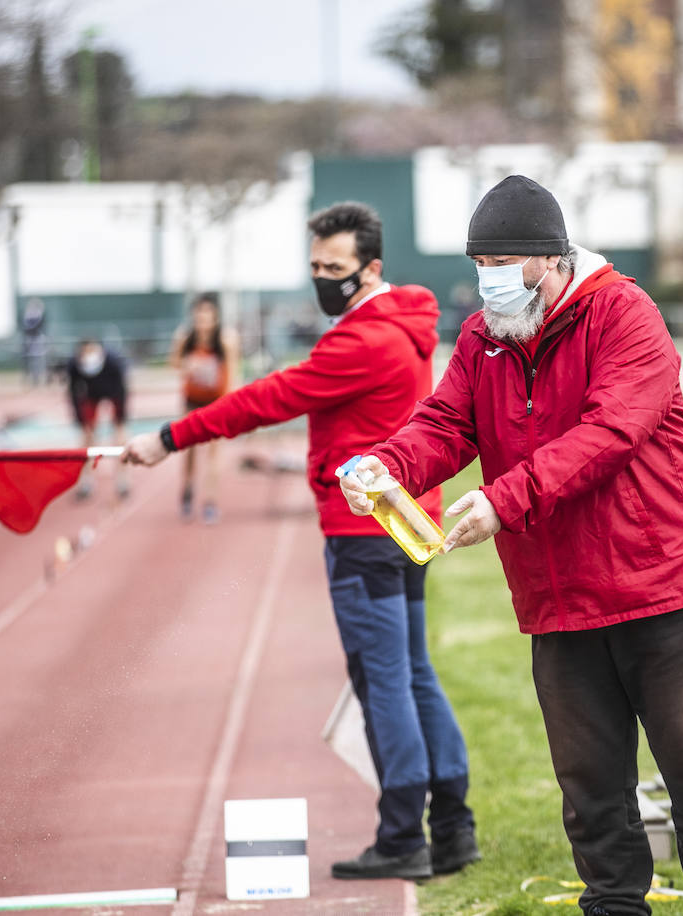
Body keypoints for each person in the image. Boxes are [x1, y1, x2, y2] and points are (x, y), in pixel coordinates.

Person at [339, 175, 683, 916]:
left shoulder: (626, 314)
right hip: (559, 600)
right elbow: (445, 423)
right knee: (591, 793)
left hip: (661, 582)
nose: (487, 284)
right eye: (480, 267)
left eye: (503, 267)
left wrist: (504, 501)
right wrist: (389, 464)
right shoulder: (484, 338)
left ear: (553, 261)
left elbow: (609, 434)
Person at [122, 202, 476, 882]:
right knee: (414, 672)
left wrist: (170, 437)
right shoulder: (406, 320)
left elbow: (269, 398)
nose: (322, 278)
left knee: (385, 683)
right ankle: (454, 828)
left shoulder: (361, 341)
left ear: (370, 268)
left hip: (364, 528)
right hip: (406, 522)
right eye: (314, 266)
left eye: (334, 268)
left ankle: (405, 836)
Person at [169, 292, 240, 524]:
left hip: (216, 402)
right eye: (199, 314)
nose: (203, 319)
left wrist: (230, 406)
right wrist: (190, 365)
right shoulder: (185, 338)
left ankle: (210, 501)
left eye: (207, 314)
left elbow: (233, 372)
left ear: (216, 316)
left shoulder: (225, 340)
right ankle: (187, 489)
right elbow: (174, 364)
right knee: (188, 450)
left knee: (213, 452)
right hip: (192, 401)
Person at [66, 339, 129, 500]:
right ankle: (86, 481)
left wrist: (120, 417)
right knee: (86, 438)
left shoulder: (113, 363)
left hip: (113, 392)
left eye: (91, 351)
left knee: (121, 436)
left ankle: (123, 480)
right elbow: (73, 393)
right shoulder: (74, 365)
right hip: (90, 395)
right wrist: (81, 420)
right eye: (85, 353)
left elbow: (122, 391)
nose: (89, 356)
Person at [21, 298, 48, 388]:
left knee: (39, 359)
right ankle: (30, 376)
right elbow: (26, 327)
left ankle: (38, 377)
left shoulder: (39, 315)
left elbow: (40, 325)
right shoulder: (28, 315)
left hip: (37, 339)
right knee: (29, 359)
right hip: (29, 339)